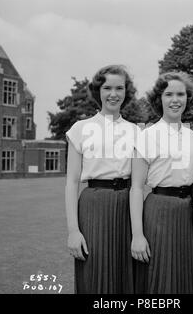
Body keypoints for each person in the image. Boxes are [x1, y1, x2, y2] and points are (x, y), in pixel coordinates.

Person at [129, 71, 193, 294]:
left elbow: (189, 179)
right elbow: (136, 188)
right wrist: (137, 235)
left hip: (187, 215)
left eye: (181, 94)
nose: (175, 100)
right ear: (159, 99)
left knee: (185, 279)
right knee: (159, 280)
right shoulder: (147, 135)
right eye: (169, 94)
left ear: (187, 98)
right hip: (158, 213)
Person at [65, 65, 138, 294]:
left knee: (126, 278)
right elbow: (71, 183)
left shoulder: (136, 131)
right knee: (93, 276)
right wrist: (73, 231)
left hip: (127, 207)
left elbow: (147, 180)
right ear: (98, 91)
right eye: (107, 88)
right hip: (93, 207)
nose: (113, 94)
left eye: (119, 88)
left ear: (126, 92)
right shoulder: (80, 129)